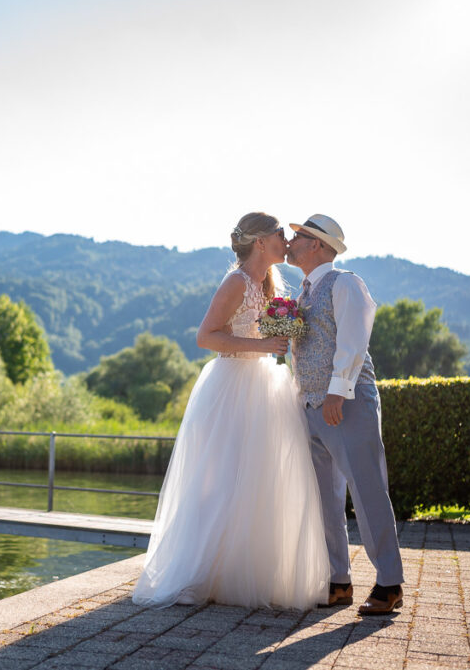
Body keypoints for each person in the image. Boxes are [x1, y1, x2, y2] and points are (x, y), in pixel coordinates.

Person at [133, 212, 330, 610]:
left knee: (260, 480)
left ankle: (249, 574)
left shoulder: (269, 284)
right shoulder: (236, 282)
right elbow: (205, 336)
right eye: (279, 233)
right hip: (231, 387)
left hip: (265, 387)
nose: (285, 240)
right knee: (220, 479)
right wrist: (262, 346)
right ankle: (196, 575)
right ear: (260, 242)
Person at [286, 214, 404, 615]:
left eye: (298, 236)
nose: (290, 241)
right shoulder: (303, 293)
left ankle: (389, 583)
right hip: (310, 405)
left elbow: (353, 341)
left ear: (318, 245)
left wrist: (336, 393)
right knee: (325, 498)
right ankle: (339, 580)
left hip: (346, 402)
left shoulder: (345, 283)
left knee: (367, 489)